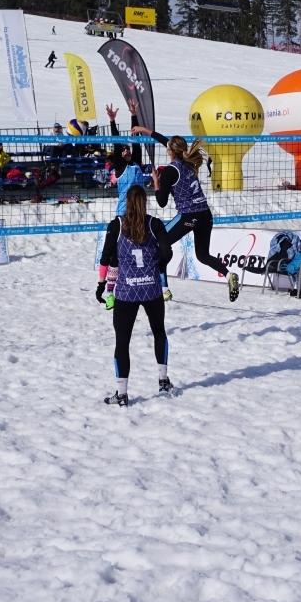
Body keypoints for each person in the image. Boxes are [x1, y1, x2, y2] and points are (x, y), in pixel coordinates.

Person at [133, 126, 241, 301]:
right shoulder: (189, 161)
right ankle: (229, 276)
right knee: (203, 255)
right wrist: (144, 130)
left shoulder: (169, 170)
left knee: (156, 243)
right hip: (205, 214)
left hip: (189, 216)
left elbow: (161, 202)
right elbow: (164, 139)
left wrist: (156, 181)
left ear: (170, 151)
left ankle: (164, 289)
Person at [96, 186, 173, 406]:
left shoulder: (117, 225)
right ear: (145, 202)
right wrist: (155, 265)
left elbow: (105, 258)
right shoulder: (154, 224)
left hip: (126, 292)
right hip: (151, 289)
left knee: (122, 342)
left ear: (127, 202)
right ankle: (163, 381)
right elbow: (168, 252)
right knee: (159, 332)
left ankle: (122, 394)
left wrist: (101, 285)